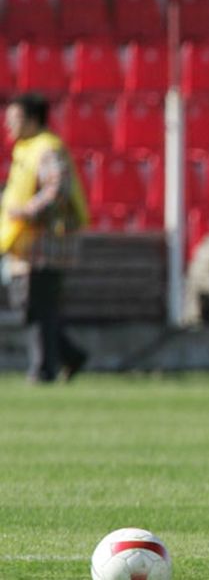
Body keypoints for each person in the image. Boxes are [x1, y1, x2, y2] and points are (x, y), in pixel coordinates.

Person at [2, 93, 90, 384]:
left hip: (46, 243)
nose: (8, 125)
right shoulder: (26, 150)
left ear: (32, 119)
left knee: (38, 307)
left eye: (14, 119)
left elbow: (57, 189)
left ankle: (43, 369)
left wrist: (26, 211)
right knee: (36, 307)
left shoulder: (46, 149)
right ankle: (70, 355)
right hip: (26, 244)